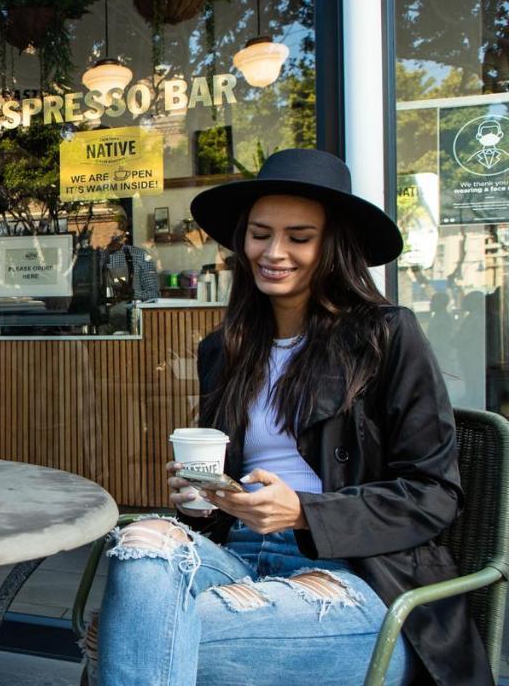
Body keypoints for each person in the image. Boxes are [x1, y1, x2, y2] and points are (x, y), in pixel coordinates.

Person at [94, 149, 491, 685]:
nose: (274, 252)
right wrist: (204, 496)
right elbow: (226, 504)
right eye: (260, 234)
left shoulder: (386, 336)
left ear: (332, 246)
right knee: (140, 551)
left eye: (299, 237)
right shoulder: (226, 349)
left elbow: (434, 494)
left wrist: (304, 512)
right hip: (239, 559)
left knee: (142, 633)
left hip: (359, 581)